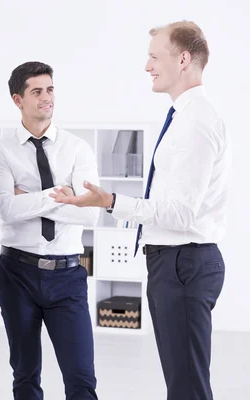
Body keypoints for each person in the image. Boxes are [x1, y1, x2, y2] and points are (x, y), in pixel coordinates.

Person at [52, 21, 231, 400]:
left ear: (183, 59)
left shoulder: (195, 121)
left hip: (184, 263)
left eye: (154, 56)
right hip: (176, 263)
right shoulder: (185, 117)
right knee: (183, 381)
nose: (146, 66)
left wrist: (111, 202)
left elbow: (180, 214)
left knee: (187, 387)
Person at [0, 61, 100, 400]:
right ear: (18, 99)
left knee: (81, 377)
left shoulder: (78, 148)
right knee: (25, 375)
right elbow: (6, 209)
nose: (46, 98)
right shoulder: (0, 151)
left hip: (67, 275)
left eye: (50, 89)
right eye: (37, 91)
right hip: (16, 273)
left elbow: (91, 215)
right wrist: (63, 196)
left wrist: (29, 198)